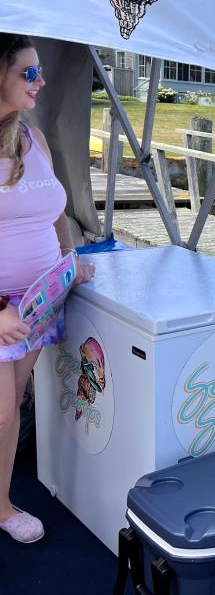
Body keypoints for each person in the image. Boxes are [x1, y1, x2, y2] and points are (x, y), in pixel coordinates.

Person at [0, 33, 95, 543]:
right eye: (28, 73)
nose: (41, 81)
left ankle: (0, 503)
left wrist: (68, 260)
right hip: (1, 312)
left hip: (37, 302)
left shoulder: (33, 138)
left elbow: (56, 209)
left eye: (41, 70)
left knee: (10, 407)